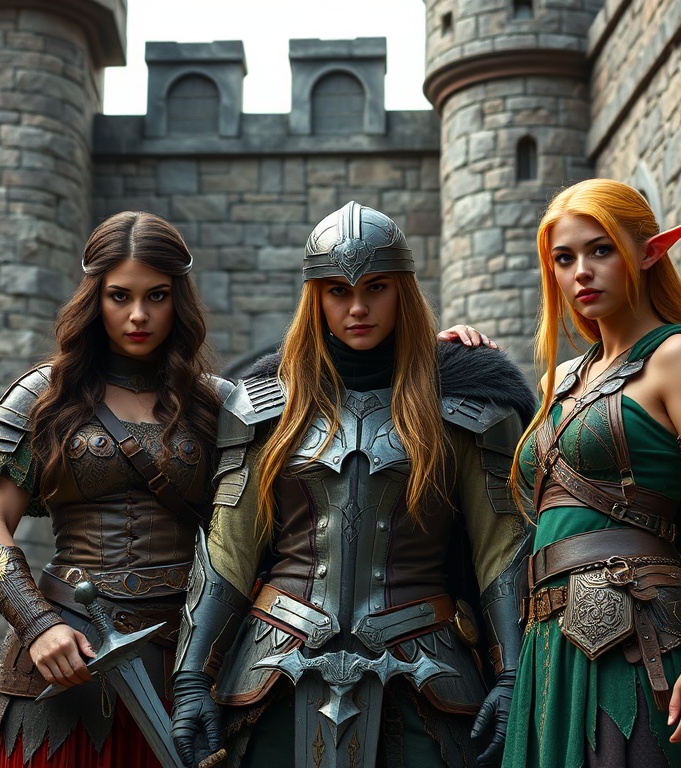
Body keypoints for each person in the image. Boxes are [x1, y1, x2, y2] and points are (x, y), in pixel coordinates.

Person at [169, 201, 537, 768]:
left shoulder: (469, 406)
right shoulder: (264, 407)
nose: (358, 307)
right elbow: (227, 552)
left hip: (428, 677)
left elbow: (502, 553)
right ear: (315, 297)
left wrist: (512, 675)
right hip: (272, 673)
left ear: (403, 291)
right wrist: (193, 677)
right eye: (338, 291)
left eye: (377, 288)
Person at [501, 179, 681, 768]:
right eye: (564, 259)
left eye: (601, 250)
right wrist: (462, 361)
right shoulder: (563, 379)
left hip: (639, 638)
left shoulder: (679, 355)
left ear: (647, 252)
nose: (581, 273)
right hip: (549, 653)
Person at [0, 211, 228, 767]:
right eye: (119, 296)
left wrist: (445, 356)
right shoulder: (47, 395)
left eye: (156, 296)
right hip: (65, 661)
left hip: (188, 666)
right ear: (95, 298)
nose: (138, 315)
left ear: (179, 300)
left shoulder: (218, 406)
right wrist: (38, 625)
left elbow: (328, 405)